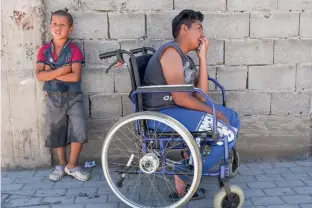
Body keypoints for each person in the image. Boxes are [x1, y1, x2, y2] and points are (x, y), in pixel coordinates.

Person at [143, 9, 240, 200]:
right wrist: (215, 114)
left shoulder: (185, 58)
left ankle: (191, 163)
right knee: (226, 133)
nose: (203, 34)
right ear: (184, 30)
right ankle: (184, 173)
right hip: (164, 114)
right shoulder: (171, 52)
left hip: (177, 110)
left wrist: (202, 57)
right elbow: (180, 98)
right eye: (199, 28)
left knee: (233, 117)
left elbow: (201, 96)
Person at [35, 9, 90, 181]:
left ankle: (72, 165)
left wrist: (51, 72)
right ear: (50, 26)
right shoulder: (44, 50)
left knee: (79, 128)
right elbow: (39, 75)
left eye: (62, 25)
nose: (57, 28)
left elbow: (75, 76)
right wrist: (63, 70)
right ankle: (61, 165)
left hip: (74, 96)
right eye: (54, 24)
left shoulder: (74, 50)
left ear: (71, 29)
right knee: (57, 130)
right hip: (53, 97)